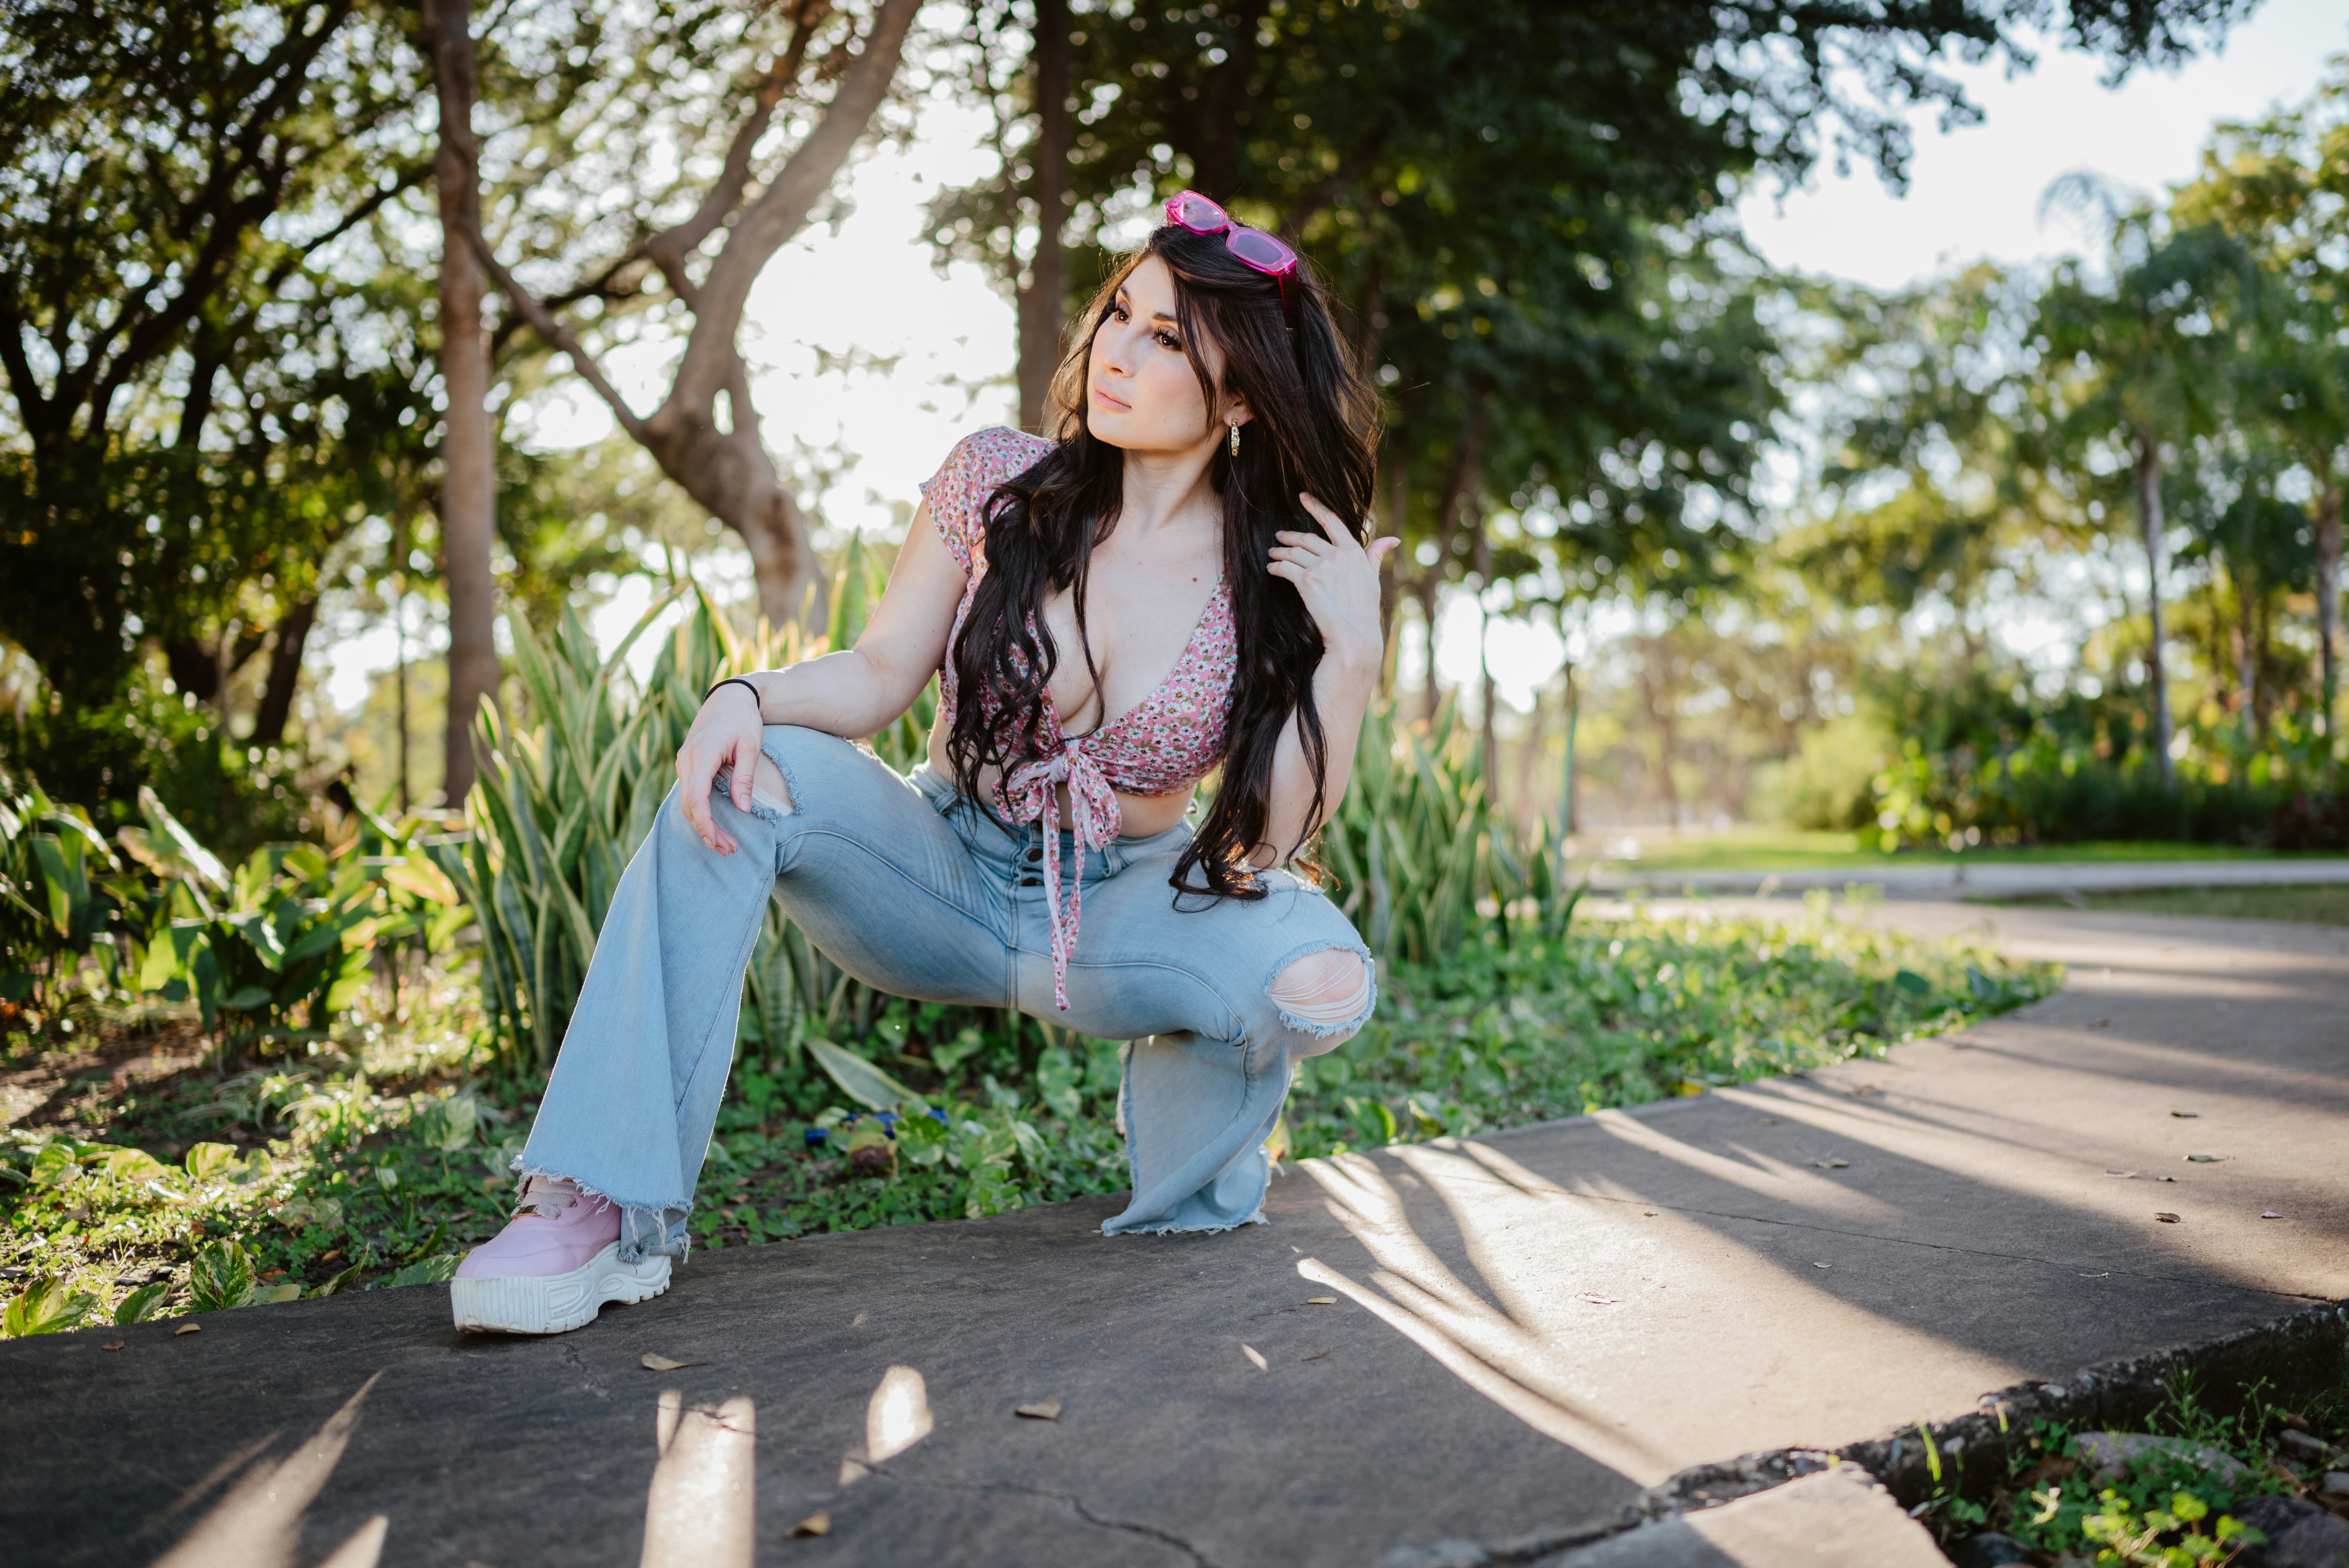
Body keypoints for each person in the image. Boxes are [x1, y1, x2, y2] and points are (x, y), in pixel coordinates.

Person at [449, 192, 1395, 1335]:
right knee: (751, 775)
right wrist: (746, 696)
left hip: (1123, 912)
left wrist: (1350, 658)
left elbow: (1267, 843)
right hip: (939, 870)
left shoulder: (1275, 575)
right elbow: (881, 669)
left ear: (1239, 397)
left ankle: (1188, 1205)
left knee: (1315, 974)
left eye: (1166, 340)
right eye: (1120, 315)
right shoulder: (999, 482)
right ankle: (596, 1203)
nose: (1117, 353)